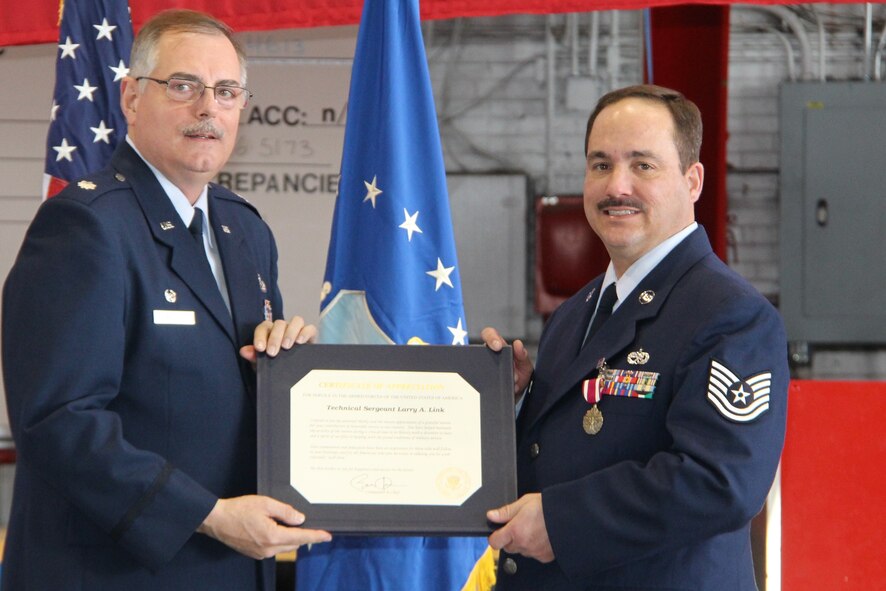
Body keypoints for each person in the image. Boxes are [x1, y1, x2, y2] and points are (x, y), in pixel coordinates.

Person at [1, 10, 330, 590]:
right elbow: (59, 421)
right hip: (115, 572)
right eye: (184, 86)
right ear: (130, 98)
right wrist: (208, 515)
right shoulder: (85, 227)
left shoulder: (245, 229)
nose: (208, 108)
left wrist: (290, 367)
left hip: (230, 569)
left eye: (226, 91)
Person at [482, 84, 788, 590]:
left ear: (693, 181)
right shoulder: (573, 315)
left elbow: (719, 482)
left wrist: (562, 522)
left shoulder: (732, 316)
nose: (616, 186)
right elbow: (558, 458)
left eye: (642, 165)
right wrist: (507, 408)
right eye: (600, 165)